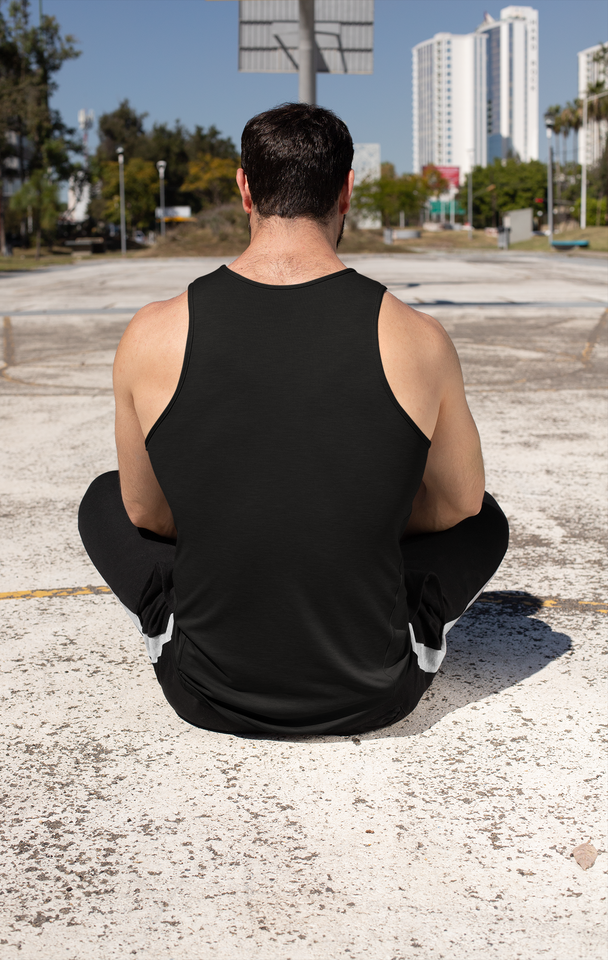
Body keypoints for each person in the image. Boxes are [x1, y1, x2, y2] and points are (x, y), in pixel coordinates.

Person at [79, 103, 508, 736]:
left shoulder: (152, 331)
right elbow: (457, 505)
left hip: (204, 691)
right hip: (378, 691)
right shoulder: (417, 336)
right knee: (486, 518)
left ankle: (177, 625)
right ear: (347, 191)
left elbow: (148, 514)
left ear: (245, 187)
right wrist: (365, 515)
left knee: (102, 499)